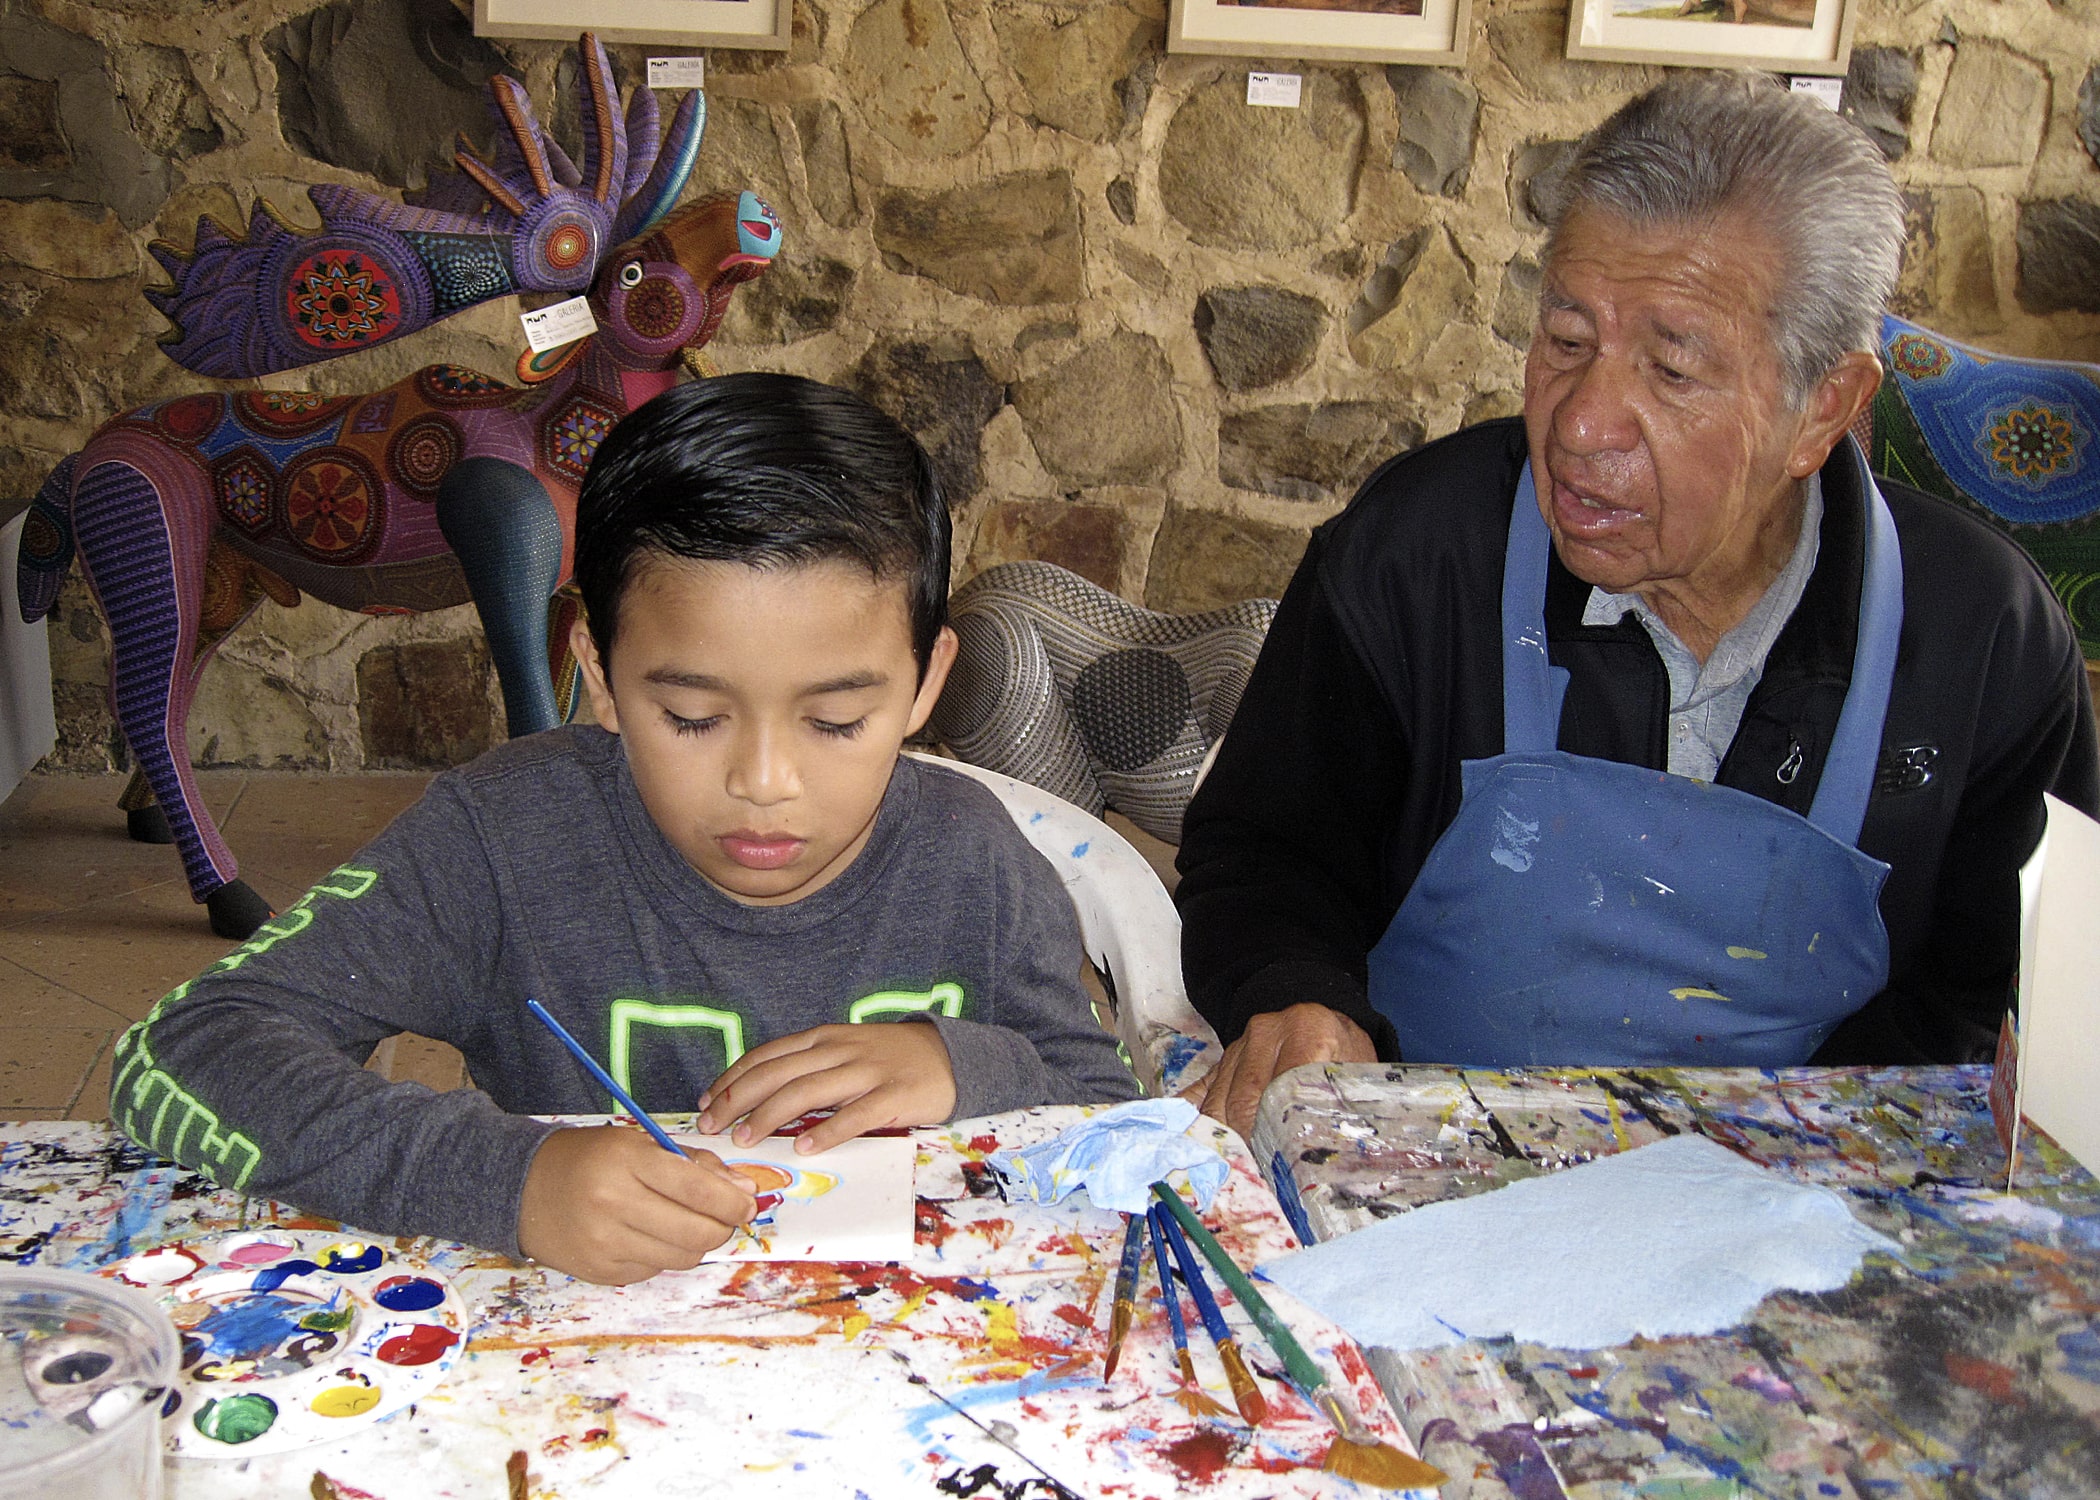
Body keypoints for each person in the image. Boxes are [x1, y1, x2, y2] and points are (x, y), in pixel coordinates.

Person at [1176, 71, 2100, 1136]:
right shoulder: (1419, 551)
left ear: (1825, 410)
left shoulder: (1985, 637)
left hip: (1802, 1202)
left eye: (1669, 369)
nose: (1579, 426)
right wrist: (1300, 995)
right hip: (1421, 1167)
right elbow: (1263, 850)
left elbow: (1997, 1006)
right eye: (1566, 343)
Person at [110, 373, 1139, 1284]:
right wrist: (509, 1182)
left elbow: (1109, 1114)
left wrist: (961, 1066)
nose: (764, 783)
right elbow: (180, 1051)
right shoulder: (502, 839)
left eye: (835, 720)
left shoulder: (978, 860)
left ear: (926, 685)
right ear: (598, 672)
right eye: (691, 716)